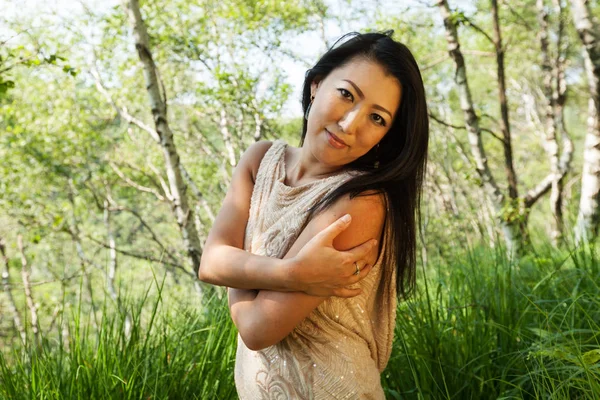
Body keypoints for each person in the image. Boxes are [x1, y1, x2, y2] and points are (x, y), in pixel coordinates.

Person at [198, 30, 428, 399]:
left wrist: (235, 264)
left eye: (377, 118)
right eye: (346, 94)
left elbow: (257, 328)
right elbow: (208, 262)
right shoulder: (260, 161)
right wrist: (292, 273)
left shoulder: (361, 201)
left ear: (386, 136)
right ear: (316, 85)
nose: (351, 123)